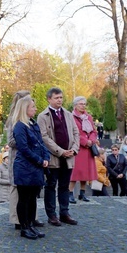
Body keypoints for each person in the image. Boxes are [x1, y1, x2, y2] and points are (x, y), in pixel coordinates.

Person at [37, 87, 80, 226]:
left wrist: (74, 149)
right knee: (50, 186)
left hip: (68, 158)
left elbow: (76, 133)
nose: (59, 100)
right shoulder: (43, 116)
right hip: (53, 157)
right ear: (49, 99)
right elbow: (43, 137)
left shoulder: (68, 114)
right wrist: (60, 151)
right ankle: (51, 215)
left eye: (61, 97)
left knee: (64, 186)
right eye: (56, 98)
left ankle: (64, 213)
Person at [11, 96, 49, 240]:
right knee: (24, 198)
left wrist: (46, 158)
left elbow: (41, 143)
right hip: (25, 168)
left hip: (36, 167)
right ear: (25, 109)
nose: (35, 109)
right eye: (32, 107)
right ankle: (24, 227)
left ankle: (31, 225)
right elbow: (24, 148)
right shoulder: (20, 126)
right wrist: (40, 160)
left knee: (33, 198)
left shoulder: (33, 124)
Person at [5, 90, 44, 230]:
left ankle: (31, 218)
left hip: (31, 160)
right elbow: (11, 141)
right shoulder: (14, 120)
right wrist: (25, 142)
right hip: (19, 158)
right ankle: (18, 219)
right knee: (18, 189)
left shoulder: (31, 121)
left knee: (31, 191)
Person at [68, 96, 98, 203]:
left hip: (88, 149)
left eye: (84, 104)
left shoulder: (88, 117)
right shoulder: (71, 117)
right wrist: (85, 141)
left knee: (85, 173)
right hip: (78, 148)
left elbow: (94, 131)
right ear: (75, 105)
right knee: (75, 172)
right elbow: (72, 132)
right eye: (81, 104)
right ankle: (70, 193)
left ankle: (82, 193)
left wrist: (91, 140)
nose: (83, 106)